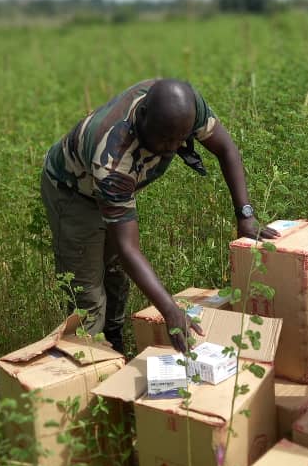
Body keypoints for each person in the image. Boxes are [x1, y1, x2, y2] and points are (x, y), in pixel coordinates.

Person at [41, 78, 278, 354]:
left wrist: (245, 215)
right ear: (142, 118)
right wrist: (170, 310)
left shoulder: (184, 105)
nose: (171, 147)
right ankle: (88, 368)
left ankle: (114, 348)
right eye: (164, 139)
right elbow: (128, 248)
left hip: (110, 189)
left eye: (180, 139)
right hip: (73, 193)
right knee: (89, 296)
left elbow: (226, 149)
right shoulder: (113, 160)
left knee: (116, 274)